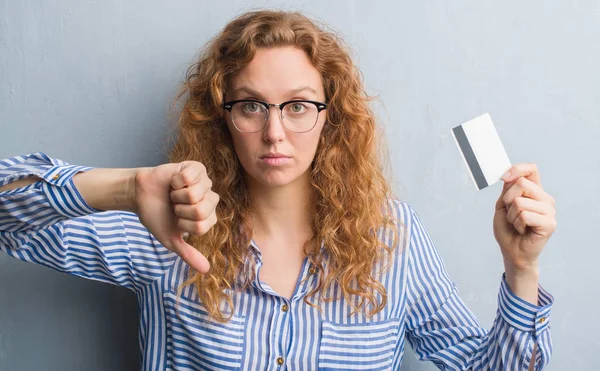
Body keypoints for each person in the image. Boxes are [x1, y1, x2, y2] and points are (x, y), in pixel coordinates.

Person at [0, 10, 556, 371]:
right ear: (222, 116)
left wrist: (521, 271)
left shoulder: (394, 239)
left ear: (330, 117)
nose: (274, 131)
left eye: (297, 106)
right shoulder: (166, 226)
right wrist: (125, 186)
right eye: (251, 105)